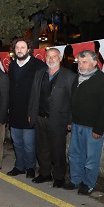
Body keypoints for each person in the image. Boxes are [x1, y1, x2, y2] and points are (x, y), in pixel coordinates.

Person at [64, 50, 104, 195]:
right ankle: (75, 180)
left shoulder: (103, 80)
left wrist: (99, 128)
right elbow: (72, 102)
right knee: (74, 154)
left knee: (91, 159)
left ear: (94, 63)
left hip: (93, 128)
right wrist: (70, 120)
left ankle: (88, 184)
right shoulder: (77, 78)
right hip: (76, 124)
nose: (80, 65)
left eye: (84, 62)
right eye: (79, 62)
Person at [28, 48, 77, 187]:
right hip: (40, 117)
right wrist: (30, 114)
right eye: (48, 56)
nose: (51, 59)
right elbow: (33, 94)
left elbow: (73, 101)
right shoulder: (39, 73)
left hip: (58, 120)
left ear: (60, 58)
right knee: (42, 148)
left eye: (54, 56)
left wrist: (70, 120)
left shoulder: (69, 76)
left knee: (58, 150)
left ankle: (59, 177)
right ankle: (44, 174)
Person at [7, 38, 46, 178]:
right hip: (14, 111)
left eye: (22, 47)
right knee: (17, 142)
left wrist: (36, 111)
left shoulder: (39, 65)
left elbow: (42, 91)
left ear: (29, 49)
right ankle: (19, 166)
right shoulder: (12, 65)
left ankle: (30, 167)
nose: (19, 50)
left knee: (29, 144)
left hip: (30, 111)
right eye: (17, 47)